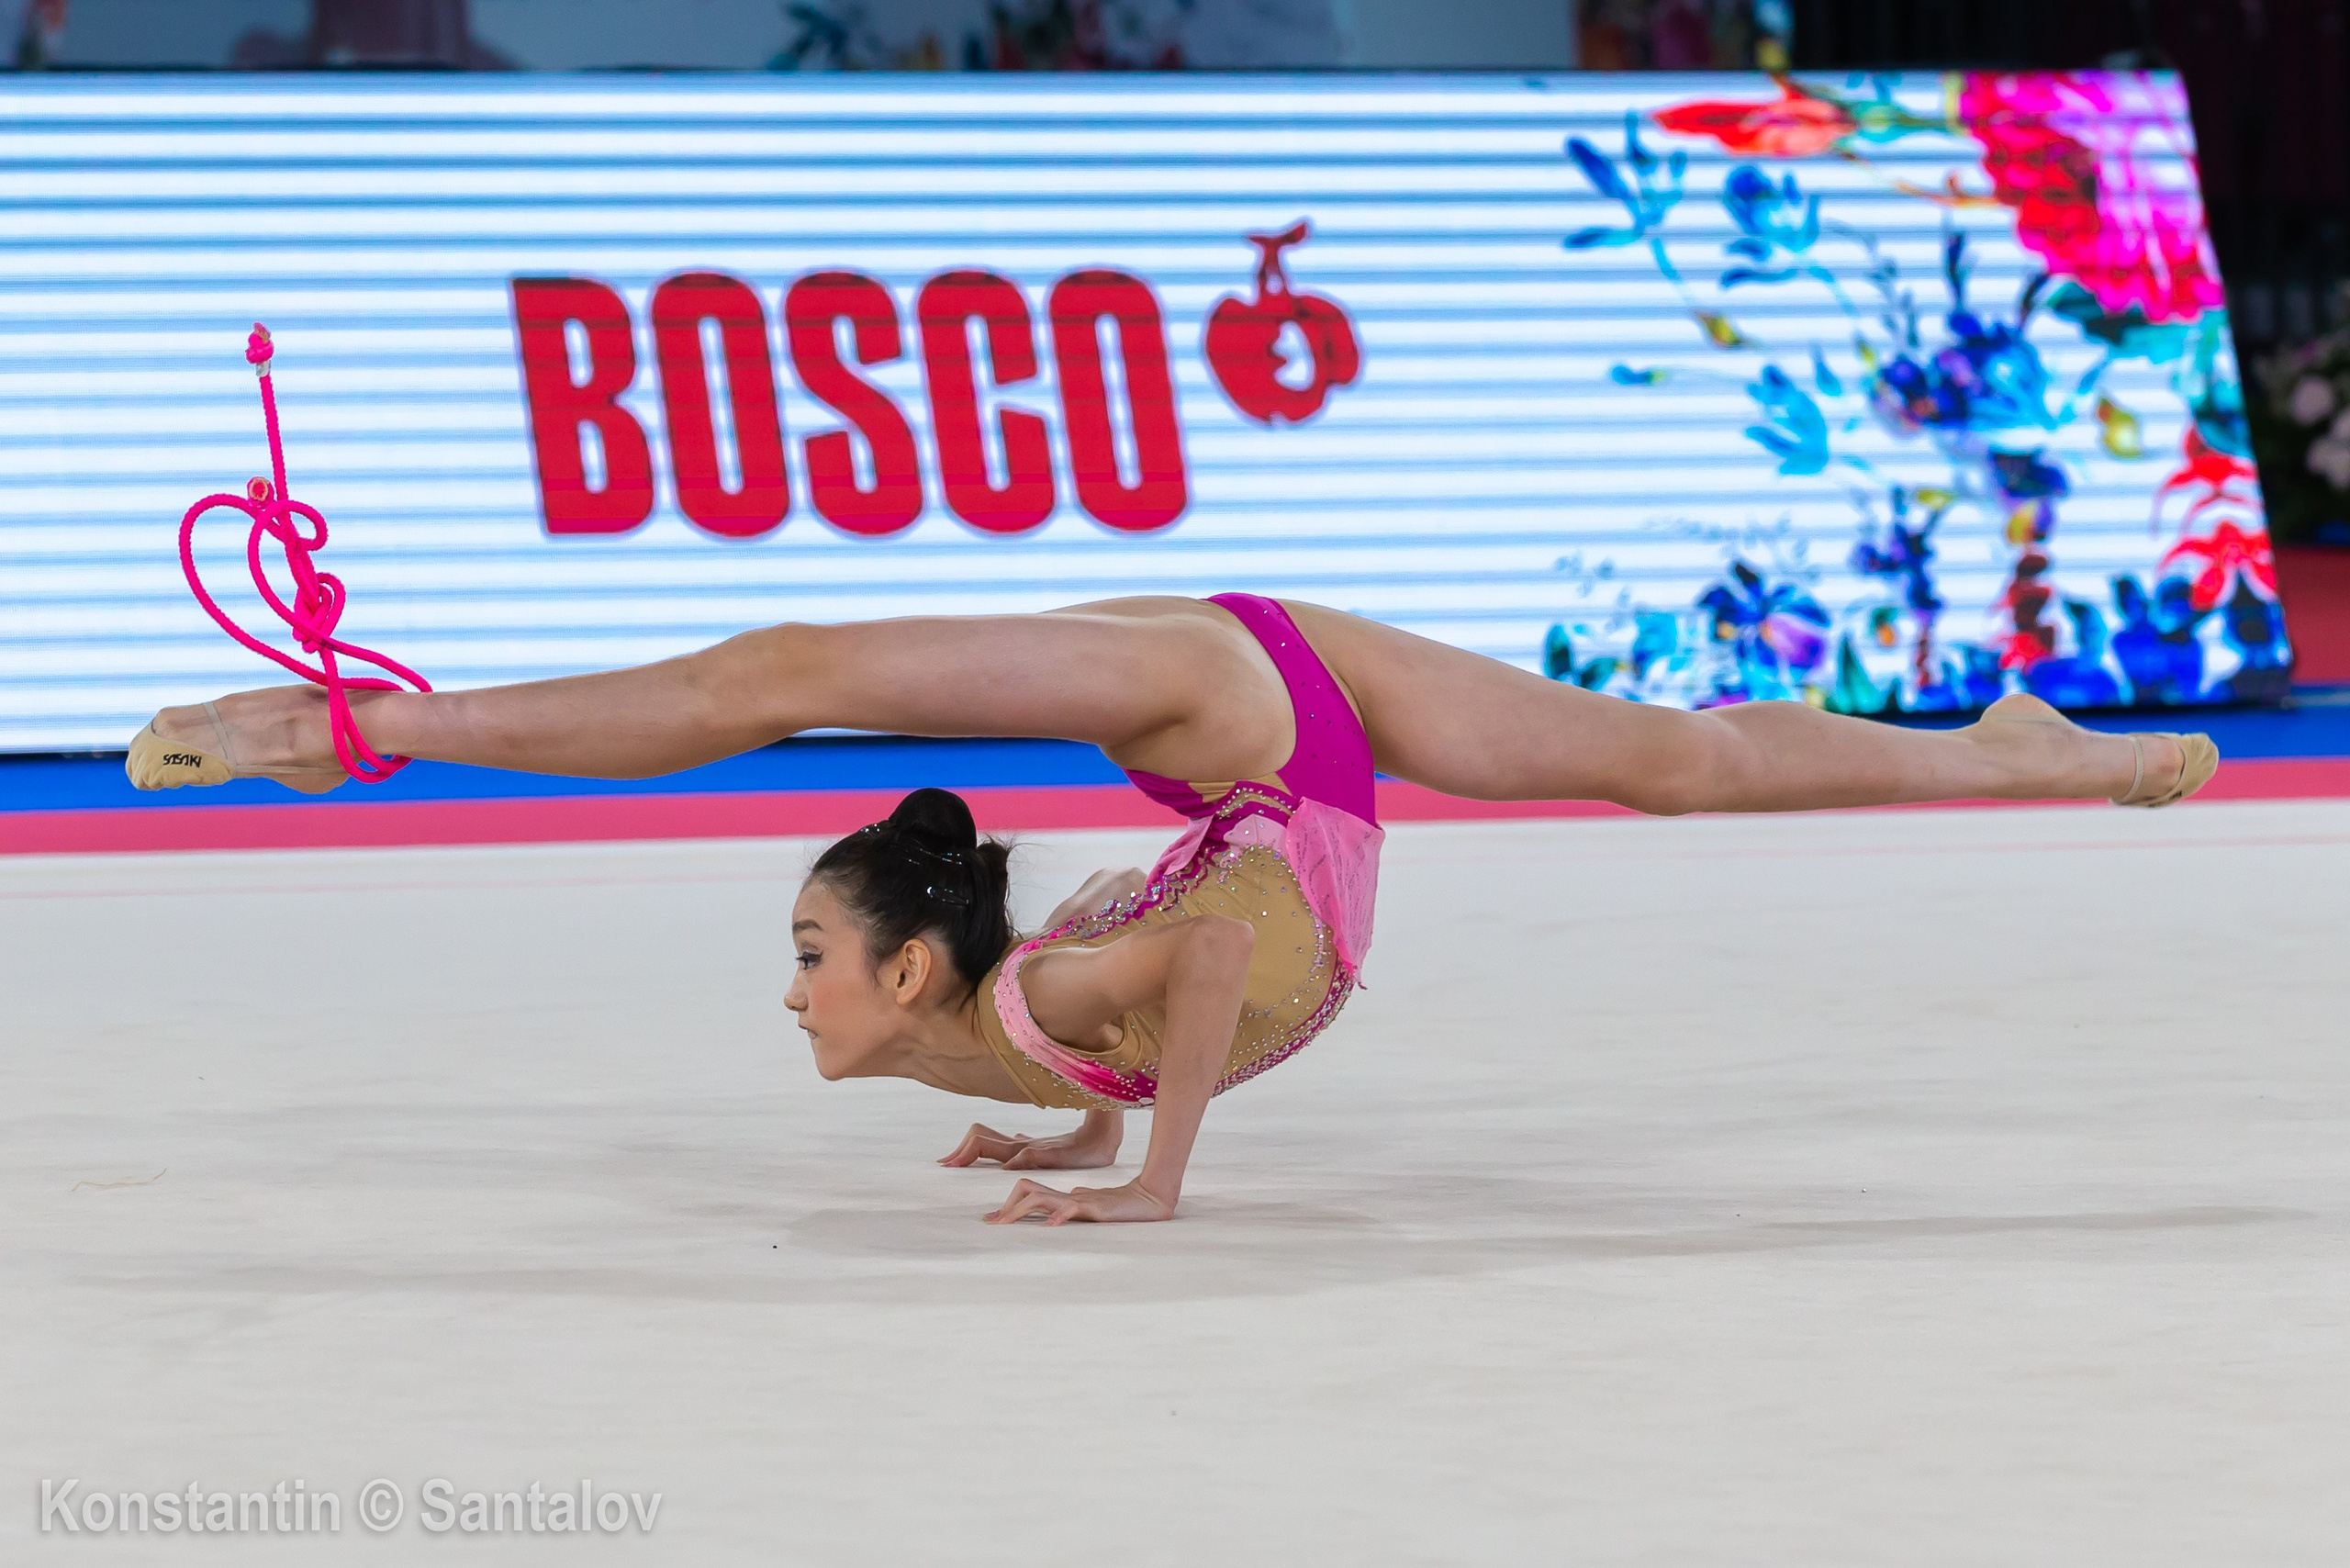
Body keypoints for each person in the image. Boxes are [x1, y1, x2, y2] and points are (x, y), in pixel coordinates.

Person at [127, 592, 2218, 1224]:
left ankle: (358, 717)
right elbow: (1144, 994)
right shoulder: (1031, 998)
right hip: (1276, 754)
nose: (797, 1002)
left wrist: (376, 720)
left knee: (791, 681)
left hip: (1232, 711)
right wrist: (1104, 1135)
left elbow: (758, 694)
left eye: (806, 971)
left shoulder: (1045, 961)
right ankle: (2010, 743)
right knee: (1676, 759)